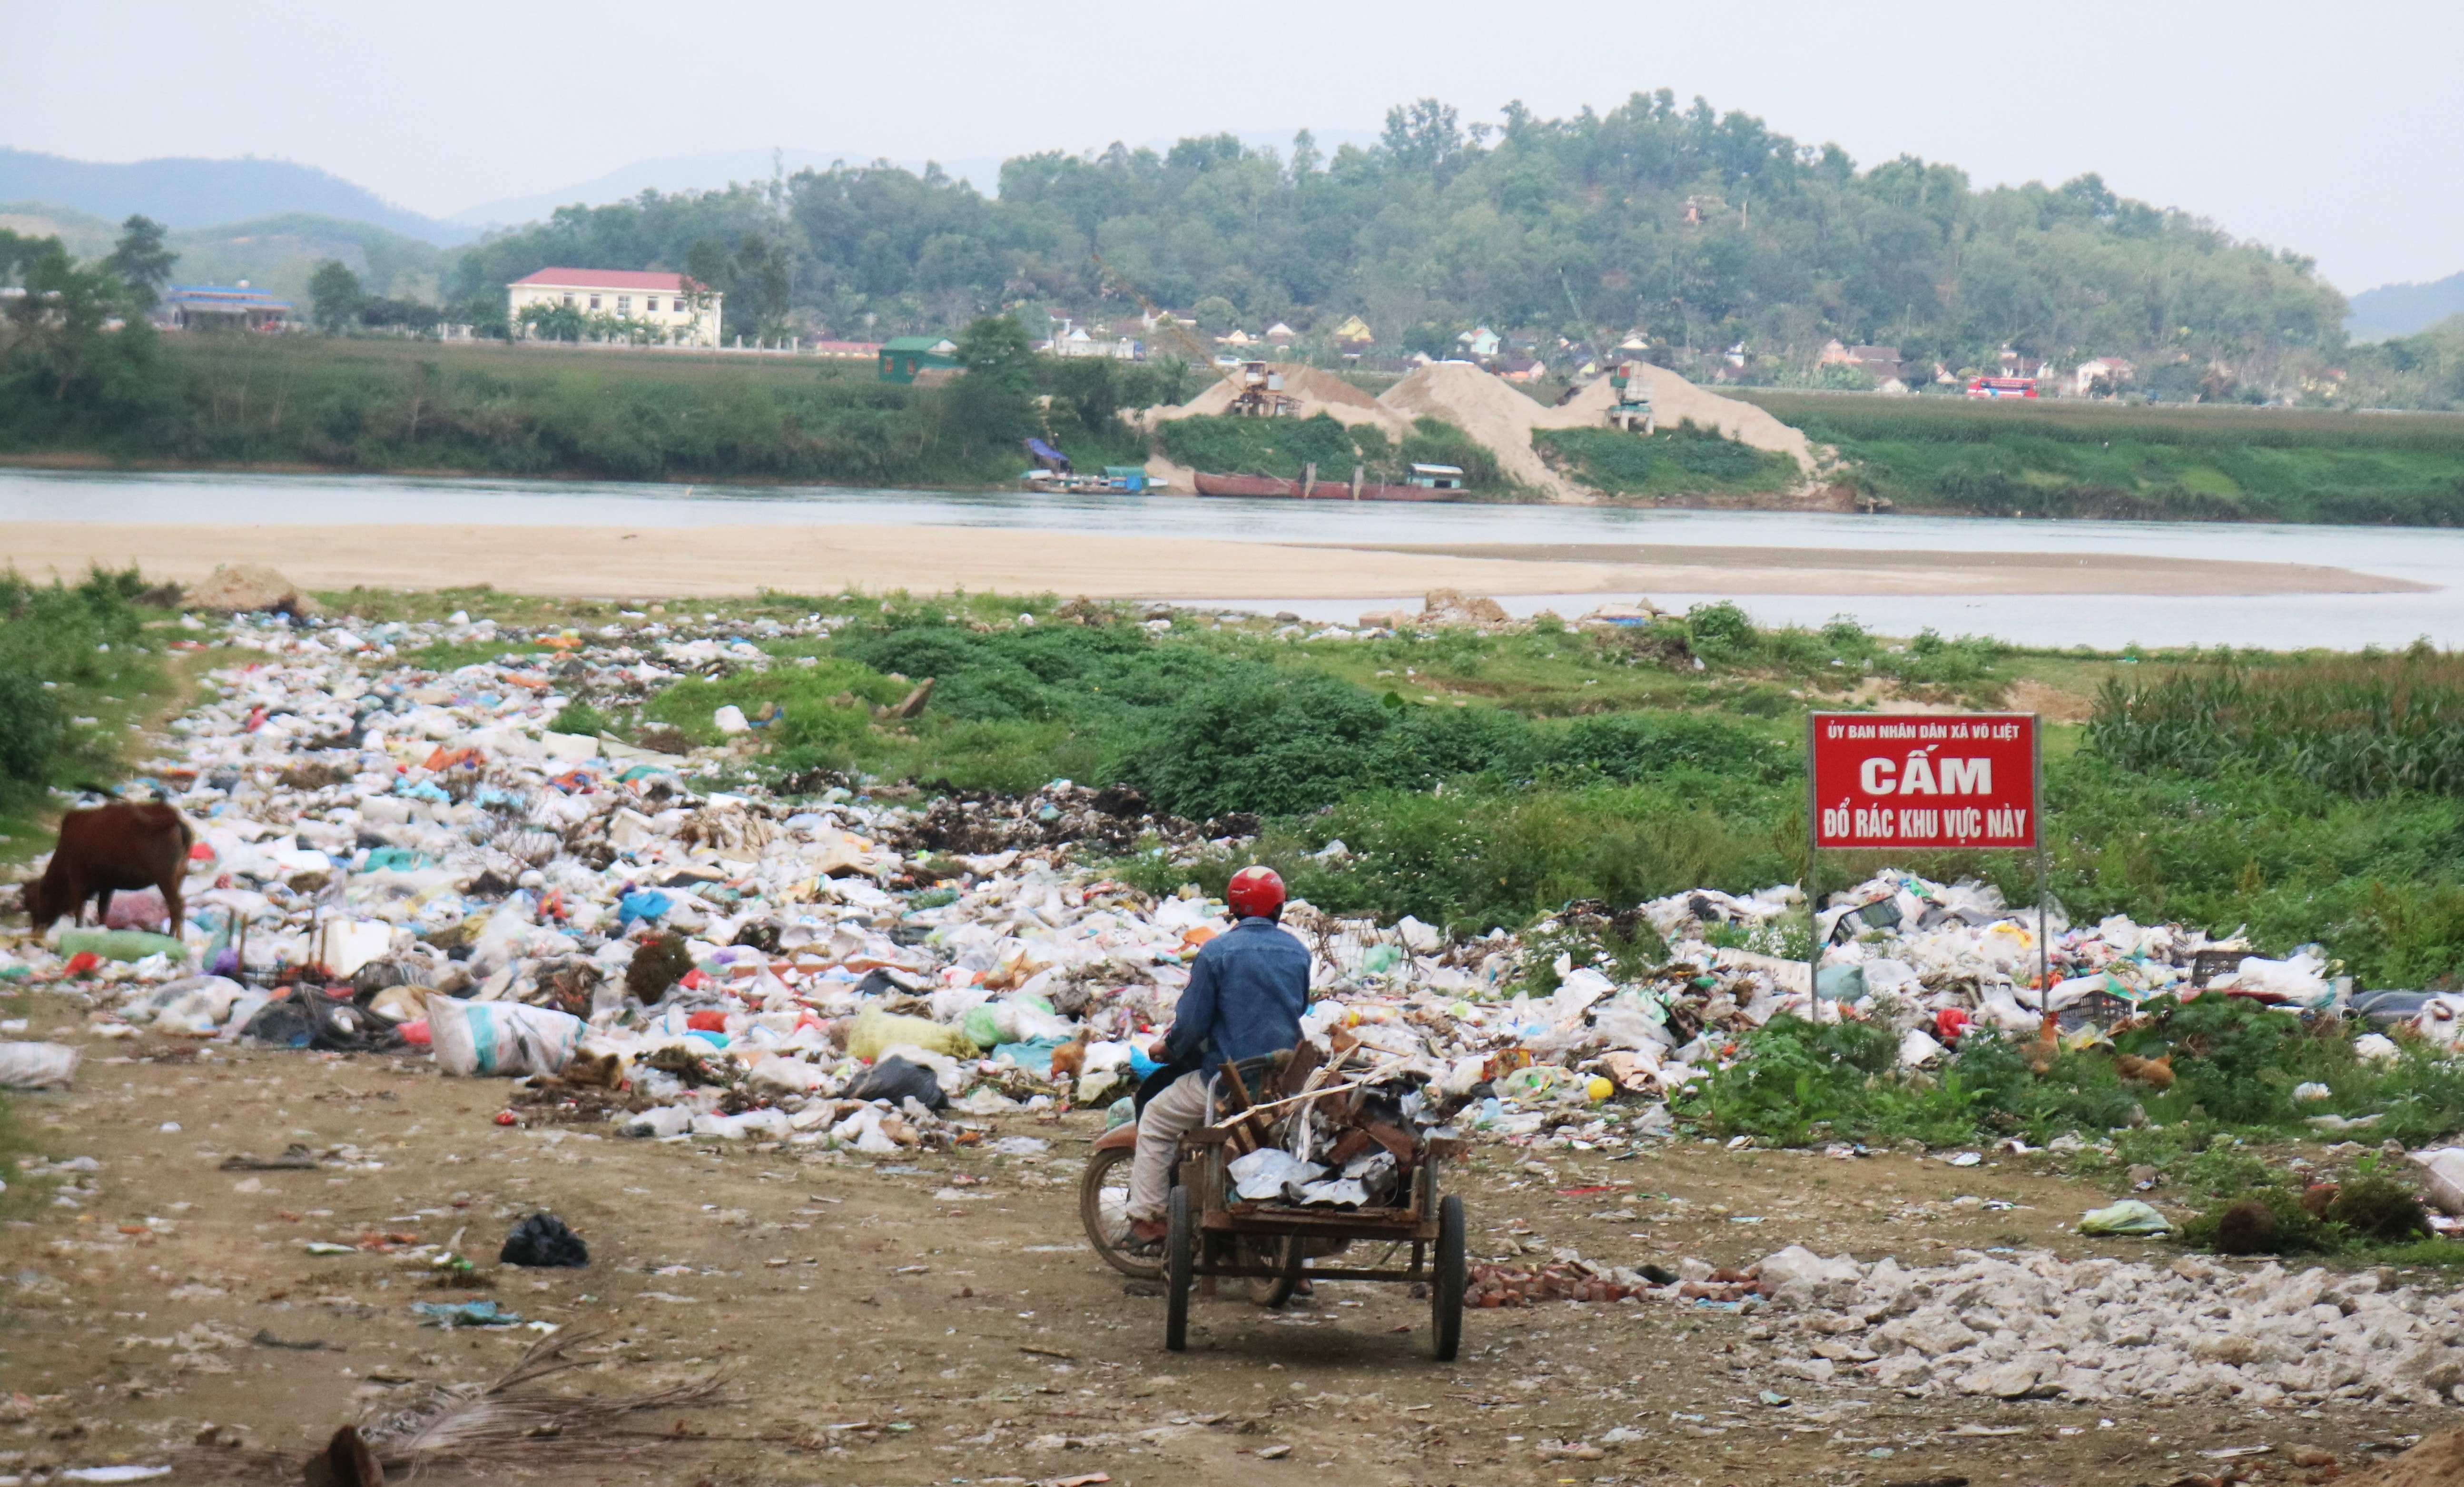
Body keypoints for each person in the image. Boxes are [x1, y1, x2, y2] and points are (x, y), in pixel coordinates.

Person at [1126, 865, 1311, 1243]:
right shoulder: (1297, 952)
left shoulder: (1217, 952)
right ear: (1278, 909)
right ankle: (1298, 1259)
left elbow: (1193, 1025)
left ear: (1234, 907)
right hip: (1282, 1083)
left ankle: (1148, 1218)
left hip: (1228, 1083)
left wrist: (1169, 1048)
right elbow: (1299, 1006)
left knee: (1158, 1120)